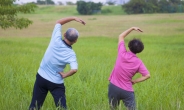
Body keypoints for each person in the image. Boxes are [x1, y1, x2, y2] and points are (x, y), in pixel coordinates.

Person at [29, 17, 86, 110]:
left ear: (64, 35)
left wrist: (74, 18)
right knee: (62, 107)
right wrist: (64, 75)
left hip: (41, 77)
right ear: (75, 41)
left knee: (35, 106)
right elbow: (74, 69)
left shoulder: (55, 39)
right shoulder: (71, 54)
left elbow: (58, 22)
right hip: (56, 82)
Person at [108, 27, 150, 110]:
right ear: (140, 50)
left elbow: (121, 36)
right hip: (127, 90)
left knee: (113, 108)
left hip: (113, 87)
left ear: (129, 46)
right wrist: (134, 81)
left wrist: (132, 28)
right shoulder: (139, 62)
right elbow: (147, 75)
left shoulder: (122, 52)